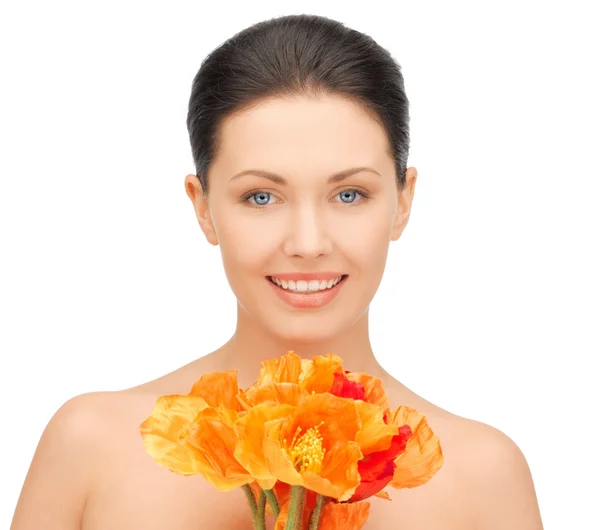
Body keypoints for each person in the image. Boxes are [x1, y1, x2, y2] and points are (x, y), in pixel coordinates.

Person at [10, 13, 543, 530]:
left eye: (349, 194)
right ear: (203, 207)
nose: (308, 244)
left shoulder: (483, 476)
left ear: (403, 202)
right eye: (261, 196)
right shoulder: (92, 447)